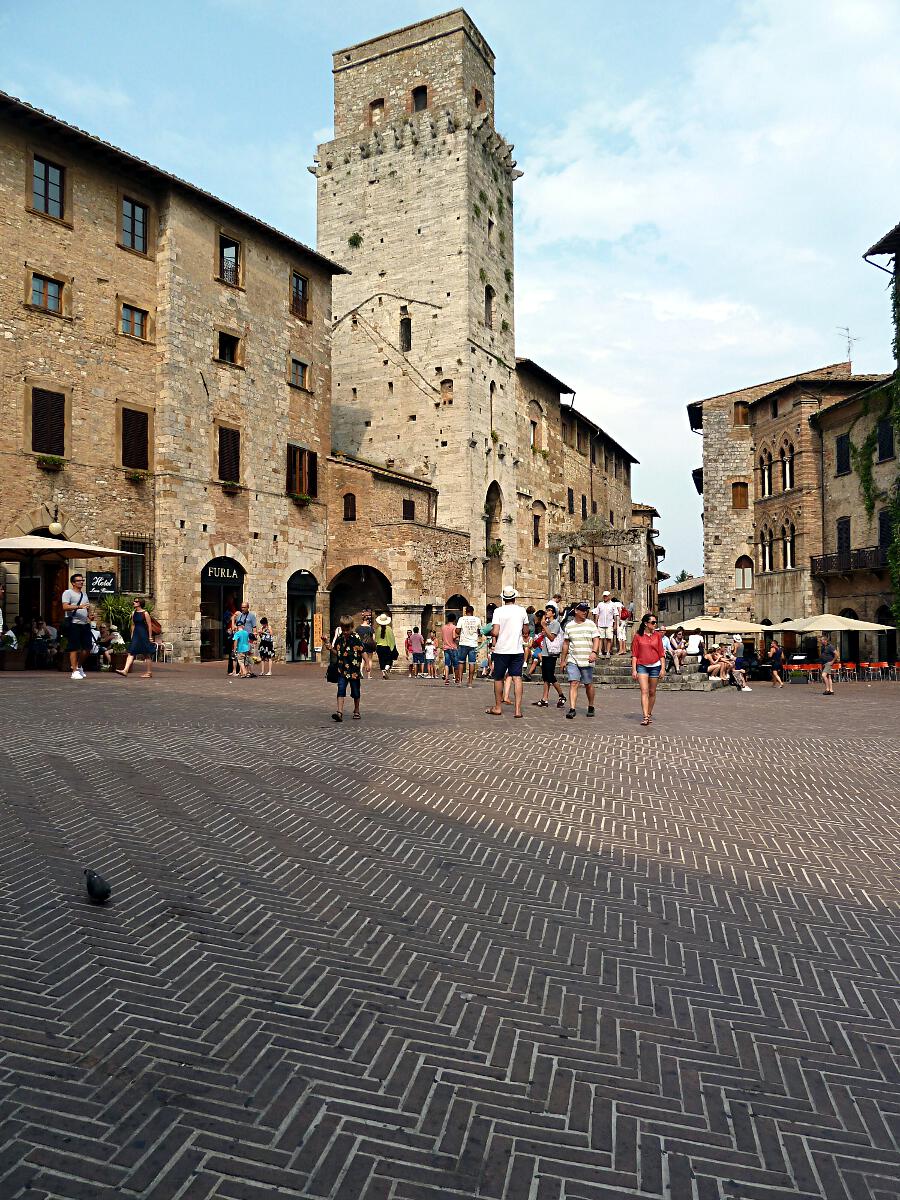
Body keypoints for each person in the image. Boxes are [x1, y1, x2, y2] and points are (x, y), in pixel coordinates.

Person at [485, 586, 529, 718]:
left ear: (503, 598)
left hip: (501, 650)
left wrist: (489, 631)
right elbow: (526, 631)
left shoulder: (498, 611)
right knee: (517, 678)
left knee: (498, 678)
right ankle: (517, 710)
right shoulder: (522, 611)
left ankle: (498, 707)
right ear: (514, 597)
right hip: (516, 649)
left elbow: (496, 632)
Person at [558, 601, 600, 719]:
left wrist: (594, 652)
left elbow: (596, 639)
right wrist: (563, 660)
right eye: (582, 610)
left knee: (588, 684)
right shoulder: (569, 626)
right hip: (573, 659)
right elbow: (566, 643)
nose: (584, 612)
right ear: (576, 611)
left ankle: (591, 705)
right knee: (574, 683)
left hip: (587, 659)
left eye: (586, 610)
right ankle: (572, 708)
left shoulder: (591, 624)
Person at [631, 612, 665, 726]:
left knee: (652, 691)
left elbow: (661, 653)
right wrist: (634, 669)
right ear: (646, 623)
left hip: (655, 666)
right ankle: (645, 716)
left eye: (656, 622)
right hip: (642, 666)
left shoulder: (657, 636)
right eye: (653, 622)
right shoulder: (638, 636)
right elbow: (634, 654)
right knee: (644, 691)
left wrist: (663, 668)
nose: (655, 624)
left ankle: (649, 713)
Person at [532, 602, 566, 708]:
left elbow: (552, 637)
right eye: (546, 610)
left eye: (549, 610)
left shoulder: (555, 624)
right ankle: (544, 699)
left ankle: (561, 695)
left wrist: (544, 626)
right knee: (545, 677)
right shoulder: (547, 624)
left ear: (553, 613)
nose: (547, 612)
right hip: (545, 652)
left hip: (552, 653)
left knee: (550, 676)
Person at [332, 615, 363, 722]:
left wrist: (368, 663)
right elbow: (337, 652)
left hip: (354, 670)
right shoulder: (340, 638)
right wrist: (330, 648)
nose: (345, 632)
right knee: (340, 689)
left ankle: (357, 710)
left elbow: (362, 651)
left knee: (355, 691)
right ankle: (339, 712)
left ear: (352, 627)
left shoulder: (356, 638)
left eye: (347, 629)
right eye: (344, 629)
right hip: (342, 670)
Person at [61, 573, 93, 680]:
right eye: (79, 580)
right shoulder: (68, 593)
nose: (82, 582)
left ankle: (78, 666)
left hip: (84, 624)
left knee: (88, 648)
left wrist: (90, 615)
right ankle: (74, 671)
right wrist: (79, 606)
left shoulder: (84, 594)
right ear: (73, 583)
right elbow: (65, 607)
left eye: (82, 580)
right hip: (73, 623)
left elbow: (87, 608)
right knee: (74, 648)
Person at [115, 597, 155, 678]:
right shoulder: (133, 613)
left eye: (136, 601)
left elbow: (149, 625)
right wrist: (132, 635)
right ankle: (125, 670)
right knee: (131, 652)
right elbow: (133, 625)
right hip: (136, 634)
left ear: (140, 603)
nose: (134, 602)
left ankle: (149, 672)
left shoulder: (145, 613)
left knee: (146, 653)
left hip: (143, 634)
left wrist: (150, 637)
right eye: (134, 601)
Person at [455, 605, 482, 687]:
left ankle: (460, 681)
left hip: (463, 643)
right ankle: (470, 682)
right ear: (473, 611)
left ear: (465, 611)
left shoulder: (461, 619)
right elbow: (480, 631)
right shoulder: (477, 620)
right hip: (473, 644)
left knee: (461, 662)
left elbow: (457, 630)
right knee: (472, 663)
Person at [234, 601, 258, 677]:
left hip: (249, 639)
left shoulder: (251, 616)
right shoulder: (239, 616)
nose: (243, 609)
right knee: (242, 656)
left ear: (248, 607)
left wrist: (254, 639)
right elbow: (237, 626)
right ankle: (243, 672)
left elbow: (254, 628)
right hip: (241, 639)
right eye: (242, 607)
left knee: (249, 656)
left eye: (244, 607)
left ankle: (249, 672)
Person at [593, 591, 615, 658]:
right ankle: (600, 652)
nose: (605, 597)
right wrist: (596, 623)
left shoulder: (613, 604)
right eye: (604, 596)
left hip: (609, 624)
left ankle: (608, 652)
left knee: (609, 638)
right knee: (600, 638)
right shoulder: (600, 604)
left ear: (609, 596)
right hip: (601, 624)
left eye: (606, 596)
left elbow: (616, 615)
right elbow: (597, 613)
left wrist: (616, 625)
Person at [374, 613, 396, 678]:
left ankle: (383, 673)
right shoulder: (389, 629)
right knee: (389, 659)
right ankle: (386, 669)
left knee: (381, 660)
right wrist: (393, 647)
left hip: (379, 647)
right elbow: (392, 638)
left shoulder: (378, 629)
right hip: (387, 647)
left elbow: (376, 639)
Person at [357, 610, 376, 679]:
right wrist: (374, 645)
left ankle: (361, 671)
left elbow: (357, 637)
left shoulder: (358, 628)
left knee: (362, 659)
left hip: (362, 644)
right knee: (370, 659)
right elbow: (374, 638)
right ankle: (368, 675)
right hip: (369, 644)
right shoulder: (370, 628)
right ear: (368, 620)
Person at [441, 613, 458, 685]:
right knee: (455, 664)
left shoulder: (443, 627)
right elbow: (454, 637)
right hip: (453, 647)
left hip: (446, 647)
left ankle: (447, 678)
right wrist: (458, 635)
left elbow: (442, 638)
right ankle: (456, 678)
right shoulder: (454, 627)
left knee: (447, 664)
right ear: (454, 619)